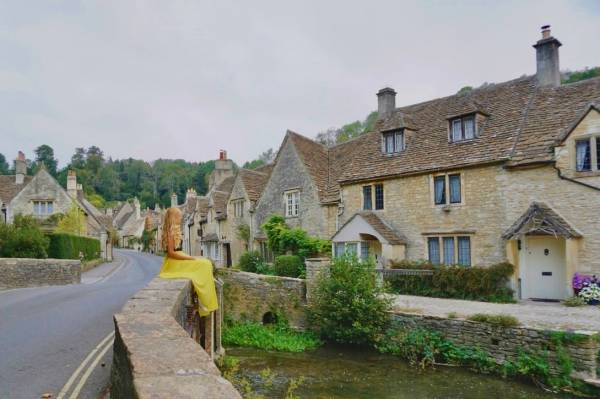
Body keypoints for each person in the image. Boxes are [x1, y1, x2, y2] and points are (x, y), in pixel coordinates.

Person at [159, 207, 218, 316]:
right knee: (204, 265)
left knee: (205, 262)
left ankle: (206, 301)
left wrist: (190, 257)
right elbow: (171, 253)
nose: (181, 218)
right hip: (173, 262)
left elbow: (178, 252)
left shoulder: (174, 230)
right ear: (173, 217)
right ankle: (205, 302)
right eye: (179, 216)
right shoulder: (170, 232)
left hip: (178, 258)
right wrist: (189, 258)